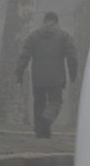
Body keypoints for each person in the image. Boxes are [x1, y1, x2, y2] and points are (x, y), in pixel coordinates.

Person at [15, 11, 78, 139]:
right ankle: (45, 122)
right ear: (57, 21)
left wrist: (19, 71)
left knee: (39, 102)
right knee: (56, 102)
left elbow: (24, 55)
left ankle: (41, 132)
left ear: (44, 21)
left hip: (38, 76)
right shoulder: (64, 36)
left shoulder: (34, 36)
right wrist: (73, 73)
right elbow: (72, 56)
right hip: (56, 77)